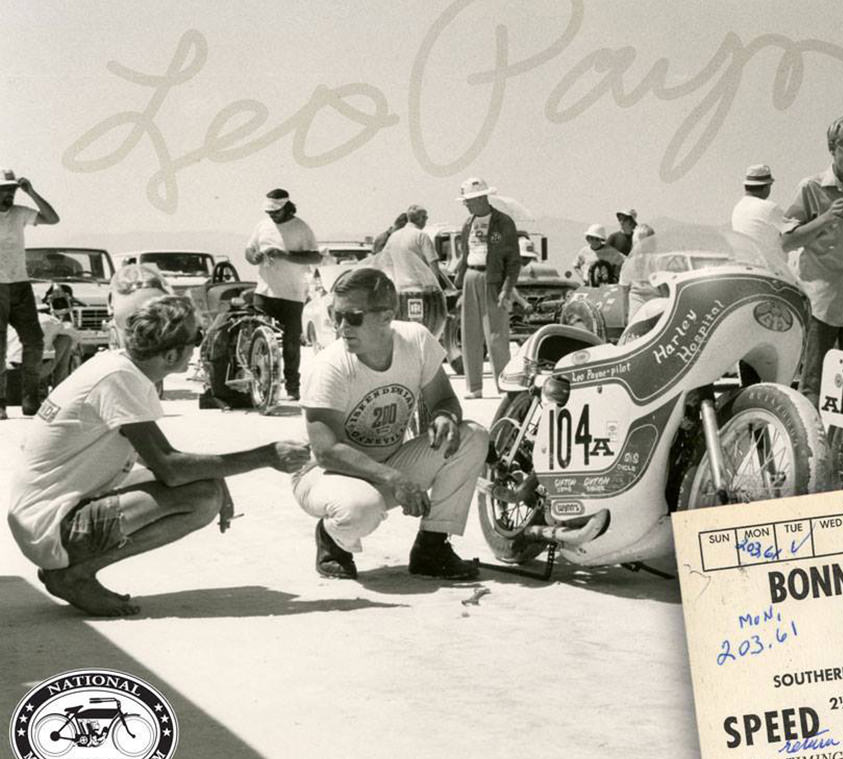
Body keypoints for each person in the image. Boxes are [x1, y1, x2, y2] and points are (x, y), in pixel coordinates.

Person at [7, 295, 310, 616]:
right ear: (171, 354)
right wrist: (267, 455)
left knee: (208, 485)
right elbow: (171, 469)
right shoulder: (120, 380)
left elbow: (150, 459)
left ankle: (70, 569)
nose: (199, 345)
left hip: (42, 521)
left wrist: (216, 473)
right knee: (202, 498)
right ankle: (74, 575)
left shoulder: (117, 367)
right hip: (53, 528)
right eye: (196, 338)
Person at [294, 267, 488, 580]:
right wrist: (395, 479)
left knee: (472, 437)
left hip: (385, 466)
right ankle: (332, 538)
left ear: (386, 316)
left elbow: (445, 400)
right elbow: (327, 451)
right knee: (359, 510)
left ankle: (432, 547)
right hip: (325, 475)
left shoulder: (417, 341)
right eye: (335, 315)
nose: (342, 327)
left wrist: (445, 417)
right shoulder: (330, 366)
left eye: (353, 317)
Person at [781, 116, 843, 405]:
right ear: (832, 148)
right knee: (814, 381)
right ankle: (812, 447)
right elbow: (787, 241)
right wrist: (827, 217)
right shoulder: (811, 188)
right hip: (823, 300)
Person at [244, 188, 320, 399]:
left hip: (292, 294)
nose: (272, 215)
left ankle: (292, 386)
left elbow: (315, 257)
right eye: (269, 212)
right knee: (255, 334)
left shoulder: (301, 228)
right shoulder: (262, 226)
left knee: (291, 342)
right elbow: (248, 251)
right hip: (265, 290)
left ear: (286, 208)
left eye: (276, 212)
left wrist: (285, 255)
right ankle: (255, 381)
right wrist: (255, 257)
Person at [452, 177, 521, 399]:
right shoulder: (467, 224)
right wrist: (460, 286)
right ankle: (474, 387)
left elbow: (513, 260)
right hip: (471, 276)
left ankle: (504, 385)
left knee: (496, 336)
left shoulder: (504, 222)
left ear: (482, 198)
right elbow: (464, 255)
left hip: (493, 279)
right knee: (470, 334)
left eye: (469, 201)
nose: (467, 205)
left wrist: (507, 289)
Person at [0, 169, 60, 418]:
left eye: (12, 190)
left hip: (20, 284)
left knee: (34, 341)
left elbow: (52, 218)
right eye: (5, 190)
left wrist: (30, 192)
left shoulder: (19, 213)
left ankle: (30, 400)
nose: (9, 195)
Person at [731, 163, 789, 274]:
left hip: (746, 269)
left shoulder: (737, 208)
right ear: (766, 187)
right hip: (772, 272)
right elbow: (795, 233)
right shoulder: (770, 208)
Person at [380, 203, 443, 290]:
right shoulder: (421, 236)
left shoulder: (393, 237)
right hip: (418, 288)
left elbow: (384, 261)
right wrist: (435, 287)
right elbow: (433, 263)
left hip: (398, 288)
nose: (426, 220)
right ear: (421, 218)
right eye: (425, 217)